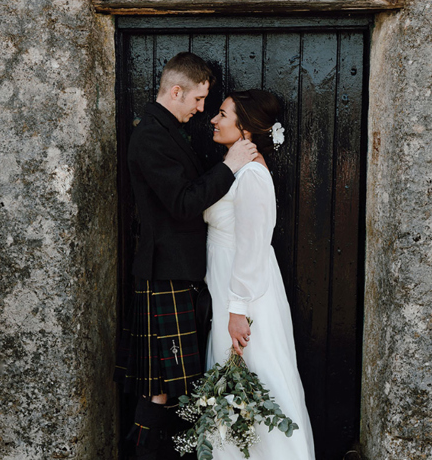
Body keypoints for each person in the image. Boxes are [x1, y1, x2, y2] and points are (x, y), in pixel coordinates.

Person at [113, 52, 258, 460]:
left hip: (178, 273)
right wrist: (229, 166)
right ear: (176, 91)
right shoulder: (151, 137)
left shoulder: (167, 130)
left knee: (166, 386)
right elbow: (180, 202)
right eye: (197, 100)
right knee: (161, 387)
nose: (200, 110)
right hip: (166, 274)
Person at [204, 89, 316, 459]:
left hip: (245, 295)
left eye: (222, 114)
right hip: (227, 288)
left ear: (246, 127)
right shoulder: (238, 168)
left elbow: (252, 246)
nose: (214, 120)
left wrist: (238, 309)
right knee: (235, 381)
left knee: (260, 375)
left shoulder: (252, 174)